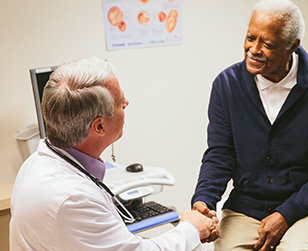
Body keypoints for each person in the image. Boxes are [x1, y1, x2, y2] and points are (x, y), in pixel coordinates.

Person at [191, 0, 308, 250]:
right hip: (247, 208)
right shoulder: (227, 85)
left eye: (267, 44)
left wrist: (286, 213)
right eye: (250, 38)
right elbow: (221, 154)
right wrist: (204, 199)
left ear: (292, 46)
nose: (253, 49)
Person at [10, 56, 218, 250]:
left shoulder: (35, 162)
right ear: (99, 127)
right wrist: (191, 229)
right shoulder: (72, 199)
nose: (126, 103)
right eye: (120, 102)